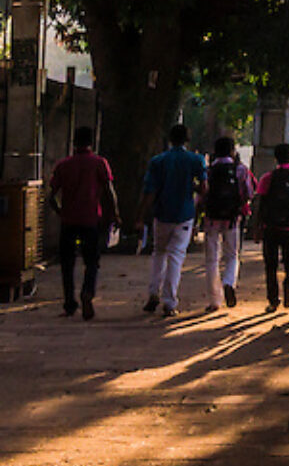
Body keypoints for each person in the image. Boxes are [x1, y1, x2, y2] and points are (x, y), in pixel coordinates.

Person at [131, 124, 205, 317]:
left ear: (169, 139)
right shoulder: (195, 160)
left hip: (162, 214)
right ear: (187, 140)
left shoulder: (158, 161)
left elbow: (149, 191)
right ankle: (169, 302)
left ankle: (153, 293)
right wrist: (192, 188)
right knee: (176, 257)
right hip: (184, 215)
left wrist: (140, 216)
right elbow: (204, 188)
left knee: (158, 253)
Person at [47, 126, 118, 321]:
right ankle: (88, 291)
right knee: (92, 262)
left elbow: (51, 196)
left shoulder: (63, 165)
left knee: (67, 264)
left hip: (69, 220)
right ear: (91, 143)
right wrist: (115, 215)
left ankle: (69, 304)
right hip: (91, 219)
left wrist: (61, 212)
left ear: (73, 142)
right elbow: (109, 191)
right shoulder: (99, 163)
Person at [252, 142, 289, 312]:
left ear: (276, 158)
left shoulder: (267, 178)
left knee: (270, 265)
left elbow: (260, 205)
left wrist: (257, 228)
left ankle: (273, 299)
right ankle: (288, 291)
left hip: (270, 228)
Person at [199, 135, 254, 312]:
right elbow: (248, 194)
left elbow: (202, 195)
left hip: (211, 219)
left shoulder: (209, 170)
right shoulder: (240, 169)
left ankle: (215, 300)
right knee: (232, 255)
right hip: (232, 218)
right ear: (233, 151)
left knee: (211, 259)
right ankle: (229, 282)